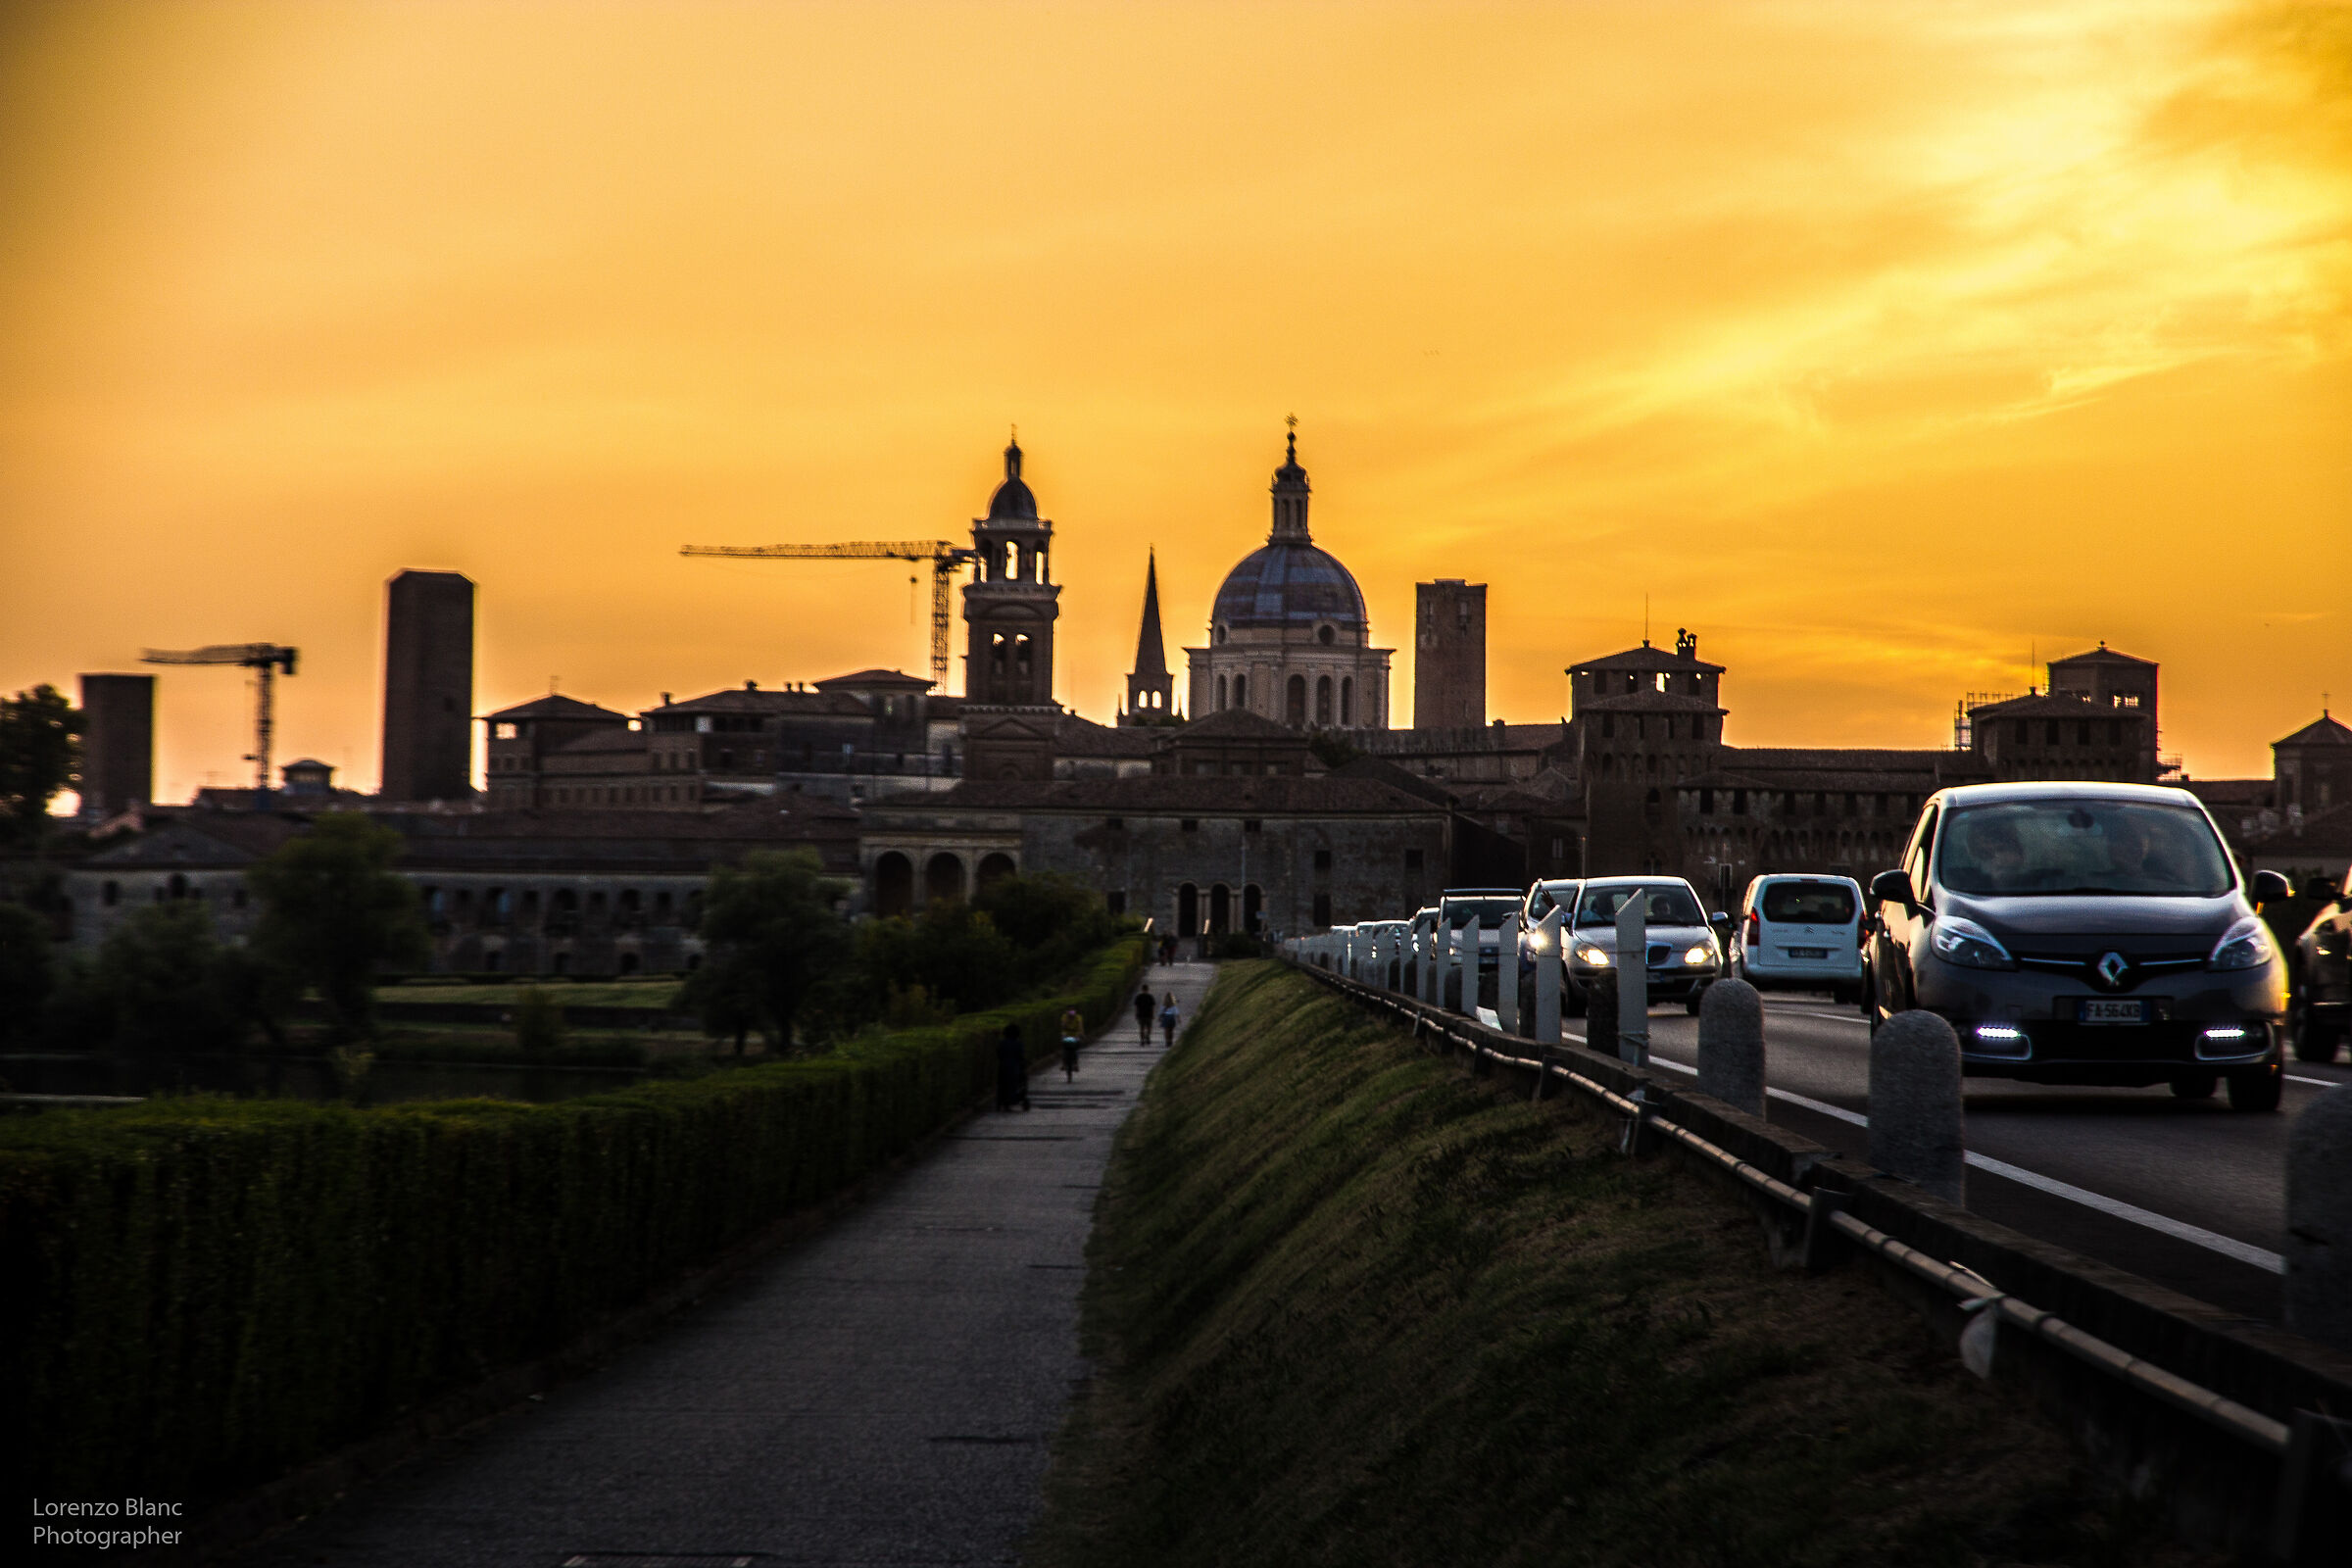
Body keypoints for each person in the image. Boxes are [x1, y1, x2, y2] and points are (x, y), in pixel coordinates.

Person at [996, 1022, 1029, 1112]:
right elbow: (1021, 1056)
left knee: (1002, 1084)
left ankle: (1003, 1101)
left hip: (1003, 1067)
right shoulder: (1018, 1044)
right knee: (1020, 1082)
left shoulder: (1002, 1043)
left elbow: (999, 1054)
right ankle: (1015, 1098)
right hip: (1015, 1068)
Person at [1059, 1004, 1085, 1081]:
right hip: (1066, 1035)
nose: (1071, 1012)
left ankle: (1075, 1063)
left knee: (1076, 1047)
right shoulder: (1064, 1017)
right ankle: (1063, 1063)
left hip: (1075, 1035)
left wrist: (1081, 1034)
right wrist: (1067, 1019)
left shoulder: (1078, 1017)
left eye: (1073, 1010)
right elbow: (1063, 1026)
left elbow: (1080, 1026)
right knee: (1063, 1048)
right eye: (1070, 1010)